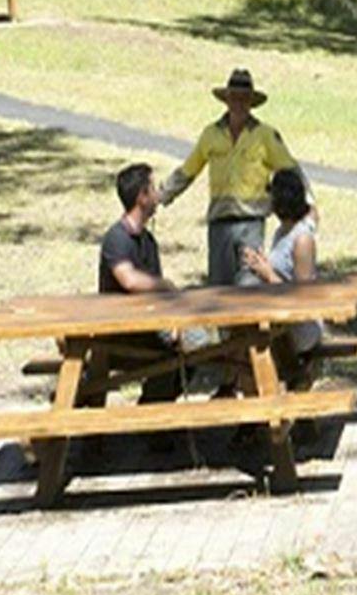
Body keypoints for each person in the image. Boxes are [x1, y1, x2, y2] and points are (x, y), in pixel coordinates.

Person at [159, 67, 303, 286]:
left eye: (244, 99)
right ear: (226, 100)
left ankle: (248, 321)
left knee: (249, 283)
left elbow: (291, 170)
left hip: (251, 222)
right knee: (220, 286)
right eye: (234, 97)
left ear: (251, 102)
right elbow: (189, 170)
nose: (238, 103)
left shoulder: (264, 135)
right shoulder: (211, 133)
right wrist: (162, 195)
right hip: (220, 222)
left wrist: (306, 208)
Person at [98, 162, 186, 404]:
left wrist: (175, 322)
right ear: (141, 197)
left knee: (195, 356)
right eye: (153, 189)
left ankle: (151, 418)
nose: (158, 195)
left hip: (147, 332)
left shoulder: (149, 241)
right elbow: (128, 279)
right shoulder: (116, 238)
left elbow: (157, 298)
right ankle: (152, 426)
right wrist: (166, 284)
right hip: (118, 336)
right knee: (174, 361)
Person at [241, 167, 324, 387]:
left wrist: (267, 273)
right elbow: (314, 209)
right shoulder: (282, 231)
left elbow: (303, 298)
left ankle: (270, 411)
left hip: (299, 329)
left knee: (249, 352)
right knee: (242, 344)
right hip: (280, 320)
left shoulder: (302, 239)